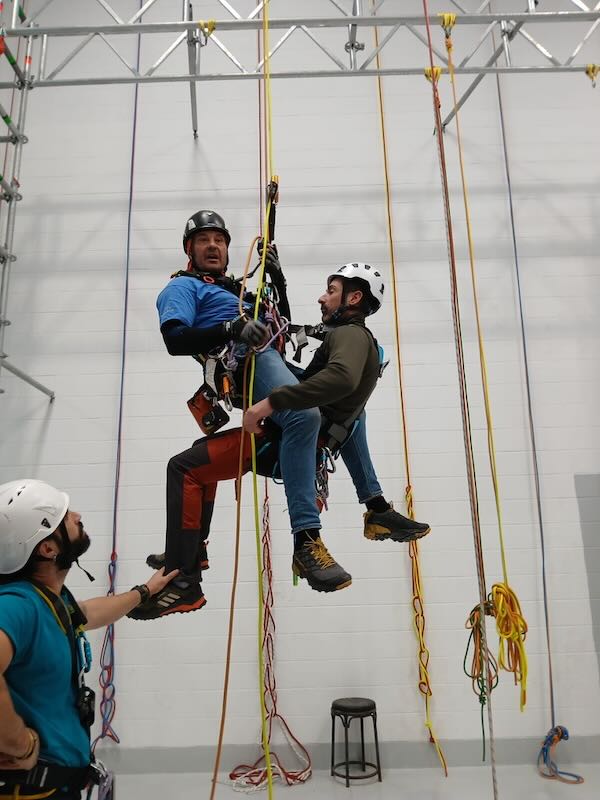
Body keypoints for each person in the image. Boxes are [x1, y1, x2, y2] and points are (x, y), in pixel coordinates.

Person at [129, 262, 430, 620]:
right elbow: (347, 410)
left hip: (279, 440)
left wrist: (269, 402)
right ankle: (377, 509)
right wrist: (279, 283)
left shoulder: (348, 337)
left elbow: (337, 380)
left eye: (331, 291)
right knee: (348, 416)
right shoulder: (362, 345)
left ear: (353, 298)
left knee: (185, 468)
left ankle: (205, 571)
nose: (321, 298)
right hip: (306, 444)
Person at [0, 479, 177, 799]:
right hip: (31, 789)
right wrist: (19, 744)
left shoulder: (48, 600)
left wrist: (144, 592)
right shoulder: (17, 605)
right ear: (48, 549)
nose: (77, 516)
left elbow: (87, 613)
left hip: (56, 785)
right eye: (66, 516)